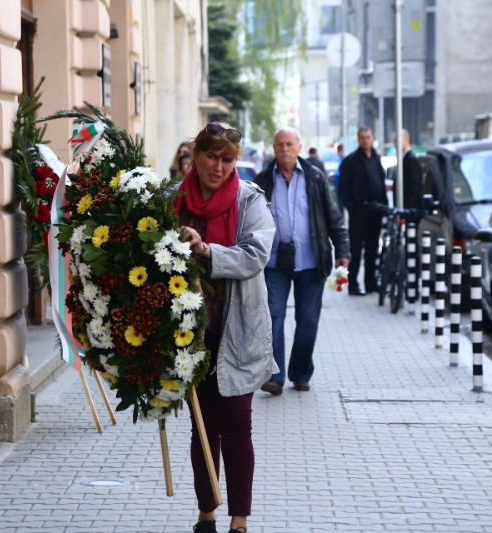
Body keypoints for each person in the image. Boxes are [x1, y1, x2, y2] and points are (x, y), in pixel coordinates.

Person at [174, 122, 277, 533]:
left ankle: (240, 519)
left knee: (237, 421)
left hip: (238, 325)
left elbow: (255, 254)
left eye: (227, 159)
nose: (218, 167)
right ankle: (207, 512)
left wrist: (206, 251)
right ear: (196, 155)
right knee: (203, 425)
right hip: (190, 330)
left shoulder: (250, 199)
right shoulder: (174, 201)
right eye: (211, 156)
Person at [254, 127, 349, 395]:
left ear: (299, 147)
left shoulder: (315, 178)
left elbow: (333, 216)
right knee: (273, 316)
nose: (285, 148)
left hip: (310, 262)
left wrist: (343, 249)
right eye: (280, 144)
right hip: (274, 263)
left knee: (308, 320)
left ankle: (301, 372)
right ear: (274, 148)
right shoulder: (263, 180)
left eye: (290, 144)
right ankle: (275, 375)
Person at [337, 126, 387, 296]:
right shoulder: (350, 161)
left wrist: (384, 207)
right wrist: (353, 207)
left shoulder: (376, 158)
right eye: (362, 137)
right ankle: (353, 285)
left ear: (372, 138)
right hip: (359, 213)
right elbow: (342, 188)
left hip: (375, 212)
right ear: (358, 139)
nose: (366, 140)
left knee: (373, 249)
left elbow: (381, 182)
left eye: (368, 137)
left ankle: (371, 282)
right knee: (356, 251)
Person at [392, 129, 423, 221]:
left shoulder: (411, 160)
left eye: (397, 140)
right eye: (394, 141)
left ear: (406, 140)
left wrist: (407, 211)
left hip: (409, 211)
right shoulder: (404, 158)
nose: (395, 144)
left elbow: (414, 187)